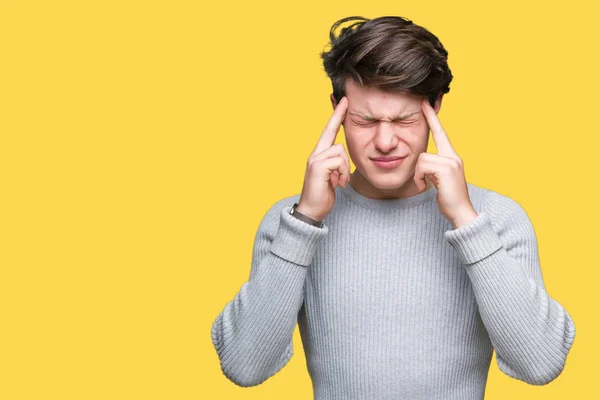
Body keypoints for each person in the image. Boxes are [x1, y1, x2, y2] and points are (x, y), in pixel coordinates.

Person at [210, 15, 576, 399]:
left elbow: (541, 364)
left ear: (434, 107)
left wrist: (466, 221)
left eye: (405, 120)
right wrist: (305, 220)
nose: (385, 141)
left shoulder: (494, 219)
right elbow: (244, 366)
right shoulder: (292, 223)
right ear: (337, 109)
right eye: (365, 121)